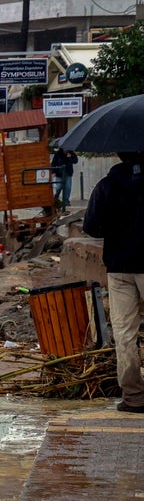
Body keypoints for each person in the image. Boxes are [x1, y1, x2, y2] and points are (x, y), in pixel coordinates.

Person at [82, 152, 144, 413]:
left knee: (125, 334)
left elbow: (91, 227)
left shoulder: (107, 185)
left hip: (119, 268)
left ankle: (134, 397)